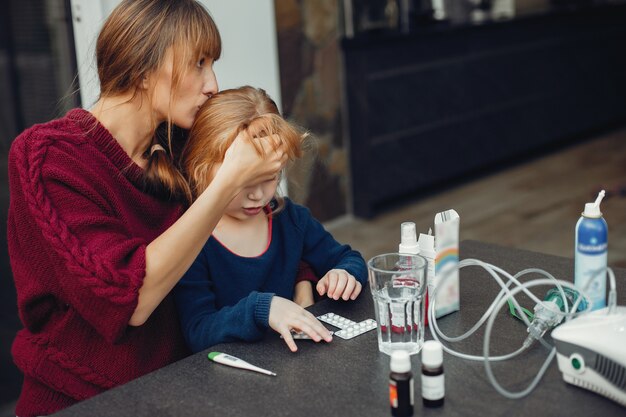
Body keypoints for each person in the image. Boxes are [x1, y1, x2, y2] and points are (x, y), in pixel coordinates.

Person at [7, 1, 295, 415]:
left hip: (180, 388)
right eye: (198, 63)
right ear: (143, 67)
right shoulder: (47, 158)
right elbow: (131, 299)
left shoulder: (178, 147)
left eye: (211, 64)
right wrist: (228, 179)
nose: (212, 84)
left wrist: (304, 278)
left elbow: (265, 225)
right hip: (79, 400)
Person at [173, 86, 368, 353]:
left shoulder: (291, 219)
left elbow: (350, 259)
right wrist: (262, 309)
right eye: (244, 182)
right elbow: (198, 331)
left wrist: (344, 274)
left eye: (269, 179)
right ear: (199, 171)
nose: (257, 195)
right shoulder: (192, 239)